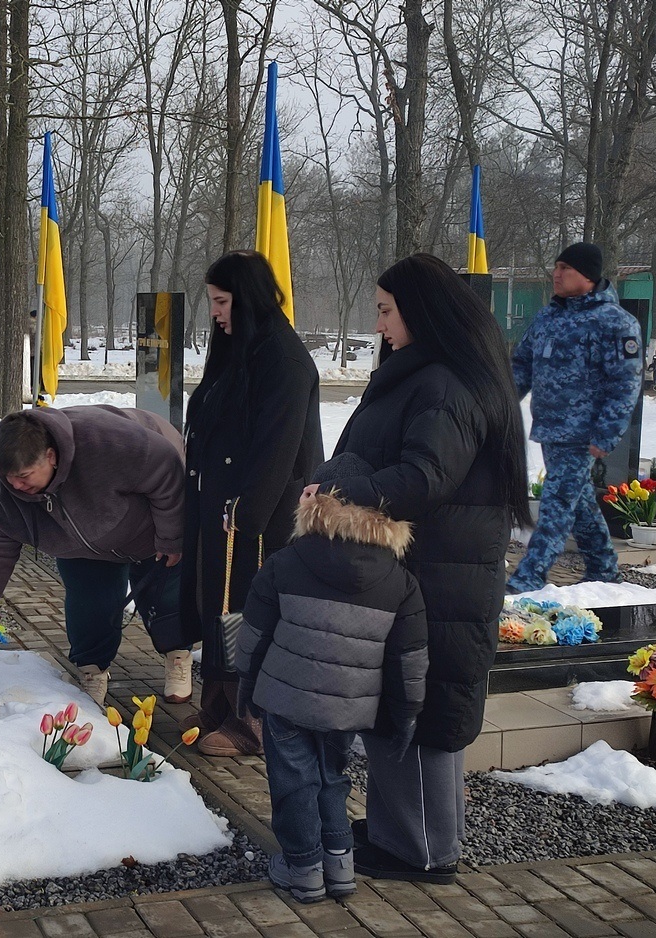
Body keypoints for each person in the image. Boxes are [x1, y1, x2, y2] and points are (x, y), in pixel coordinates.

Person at [308, 252, 530, 884]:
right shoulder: (431, 374)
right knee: (402, 709)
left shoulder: (442, 384)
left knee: (425, 713)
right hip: (423, 571)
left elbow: (425, 476)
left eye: (385, 312)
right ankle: (398, 833)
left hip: (440, 577)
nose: (379, 325)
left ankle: (426, 850)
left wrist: (345, 493)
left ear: (420, 312)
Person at [236, 453, 427, 904]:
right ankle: (339, 864)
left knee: (294, 780)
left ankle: (302, 867)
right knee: (332, 776)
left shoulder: (287, 561)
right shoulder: (399, 580)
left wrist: (247, 683)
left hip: (285, 700)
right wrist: (405, 715)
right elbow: (410, 659)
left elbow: (254, 633)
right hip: (349, 706)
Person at [0, 406, 191, 707]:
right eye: (8, 478)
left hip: (150, 525)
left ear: (51, 456)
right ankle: (92, 669)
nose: (16, 486)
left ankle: (178, 654)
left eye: (24, 476)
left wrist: (172, 537)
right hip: (79, 545)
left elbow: (168, 472)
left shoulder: (111, 443)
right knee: (89, 602)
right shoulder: (6, 495)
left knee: (166, 594)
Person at [181, 250, 323, 757]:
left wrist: (246, 516)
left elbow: (280, 448)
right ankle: (220, 702)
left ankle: (254, 723)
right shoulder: (241, 347)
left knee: (248, 613)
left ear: (247, 299)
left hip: (256, 518)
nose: (215, 313)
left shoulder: (282, 357)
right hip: (223, 509)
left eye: (222, 302)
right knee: (218, 608)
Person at [506, 243, 643, 593]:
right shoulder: (547, 317)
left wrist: (607, 433)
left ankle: (529, 576)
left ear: (587, 275)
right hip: (551, 428)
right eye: (556, 266)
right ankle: (603, 568)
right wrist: (501, 400)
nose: (557, 273)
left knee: (556, 505)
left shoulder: (615, 323)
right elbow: (522, 365)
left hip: (583, 434)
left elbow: (625, 383)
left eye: (565, 267)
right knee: (577, 502)